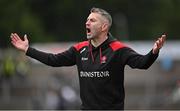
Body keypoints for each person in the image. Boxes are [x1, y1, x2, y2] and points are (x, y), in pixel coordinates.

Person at [10, 7, 166, 110]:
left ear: (104, 27)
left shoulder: (118, 50)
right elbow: (53, 60)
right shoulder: (79, 49)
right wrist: (27, 50)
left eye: (92, 20)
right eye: (87, 20)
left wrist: (153, 52)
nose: (87, 22)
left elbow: (142, 64)